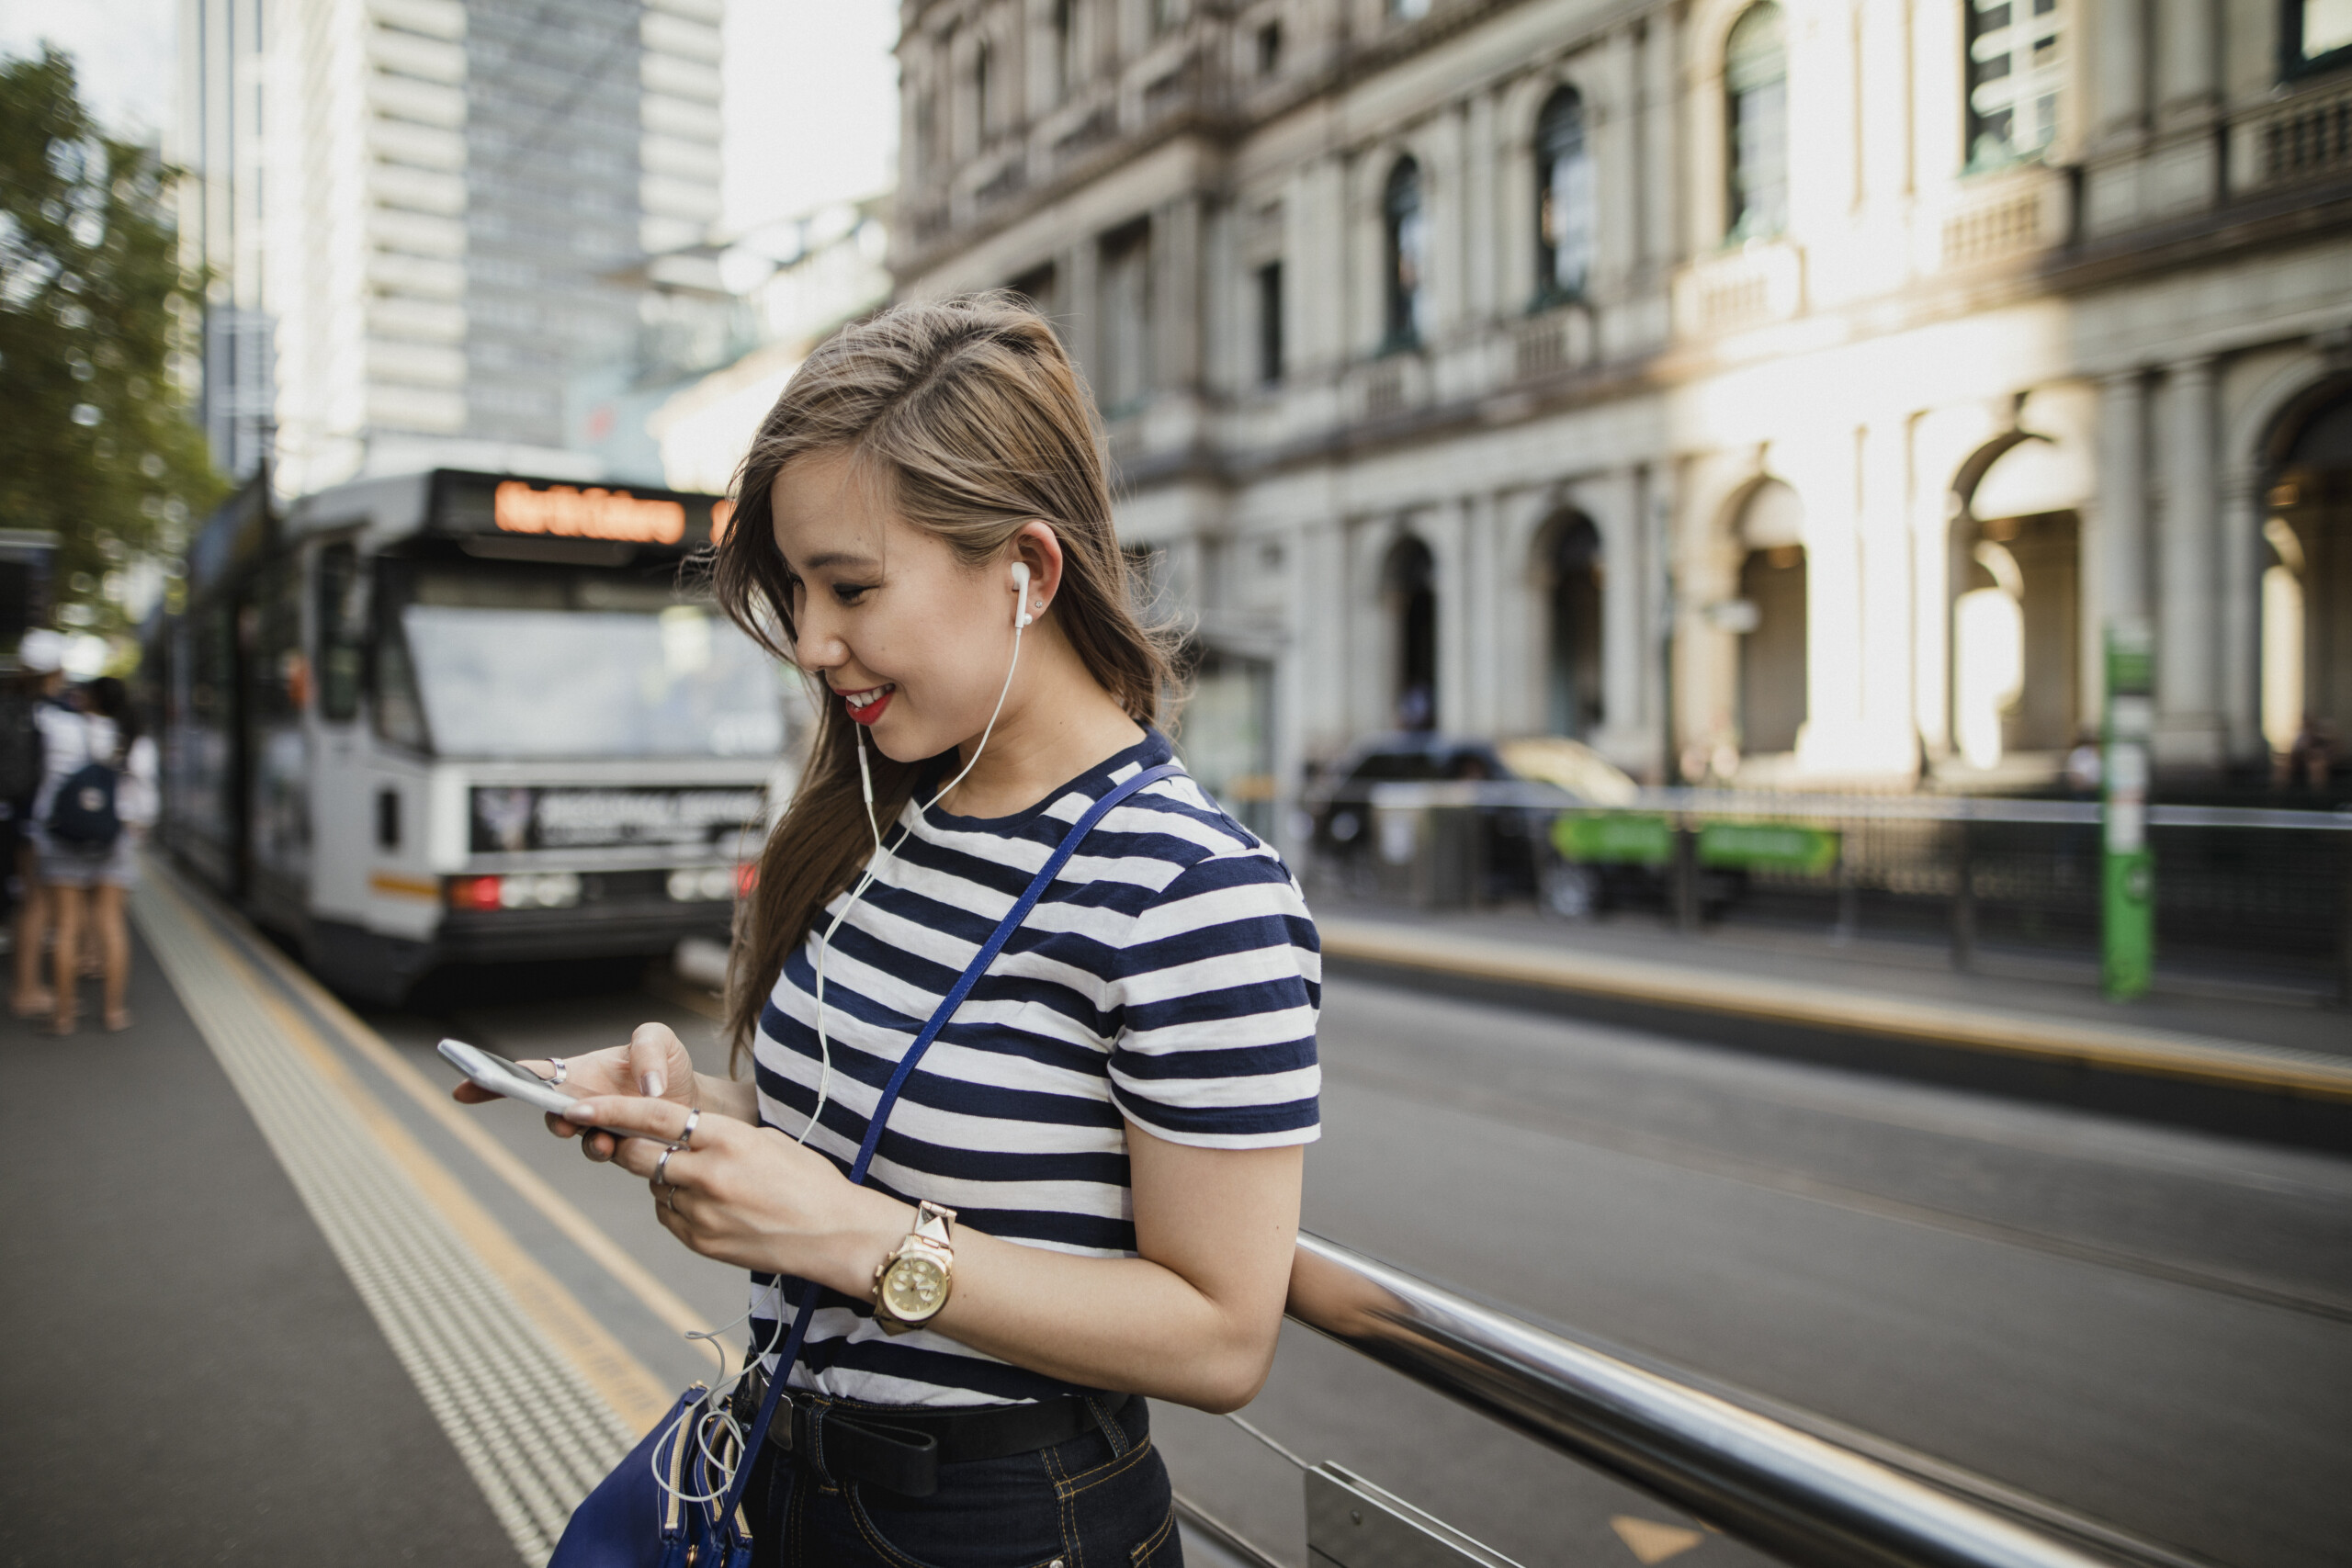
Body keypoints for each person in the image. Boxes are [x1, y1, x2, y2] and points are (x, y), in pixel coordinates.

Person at [458, 295, 1320, 1566]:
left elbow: (1219, 1333)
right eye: (798, 589)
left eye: (850, 585)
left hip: (1003, 1522)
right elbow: (861, 1141)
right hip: (784, 1468)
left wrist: (852, 1238)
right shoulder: (888, 808)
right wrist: (690, 1109)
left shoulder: (1191, 889)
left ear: (1026, 569)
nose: (812, 640)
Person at [30, 674, 155, 1032]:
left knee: (67, 926)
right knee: (111, 924)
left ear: (89, 699)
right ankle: (114, 1012)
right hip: (114, 839)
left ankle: (64, 1015)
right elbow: (146, 804)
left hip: (62, 838)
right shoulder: (134, 738)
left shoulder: (58, 728)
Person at [7, 630, 68, 1017]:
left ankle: (25, 986)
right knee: (35, 905)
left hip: (14, 820)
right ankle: (27, 990)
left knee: (25, 904)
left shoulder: (13, 706)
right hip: (33, 825)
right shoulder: (50, 716)